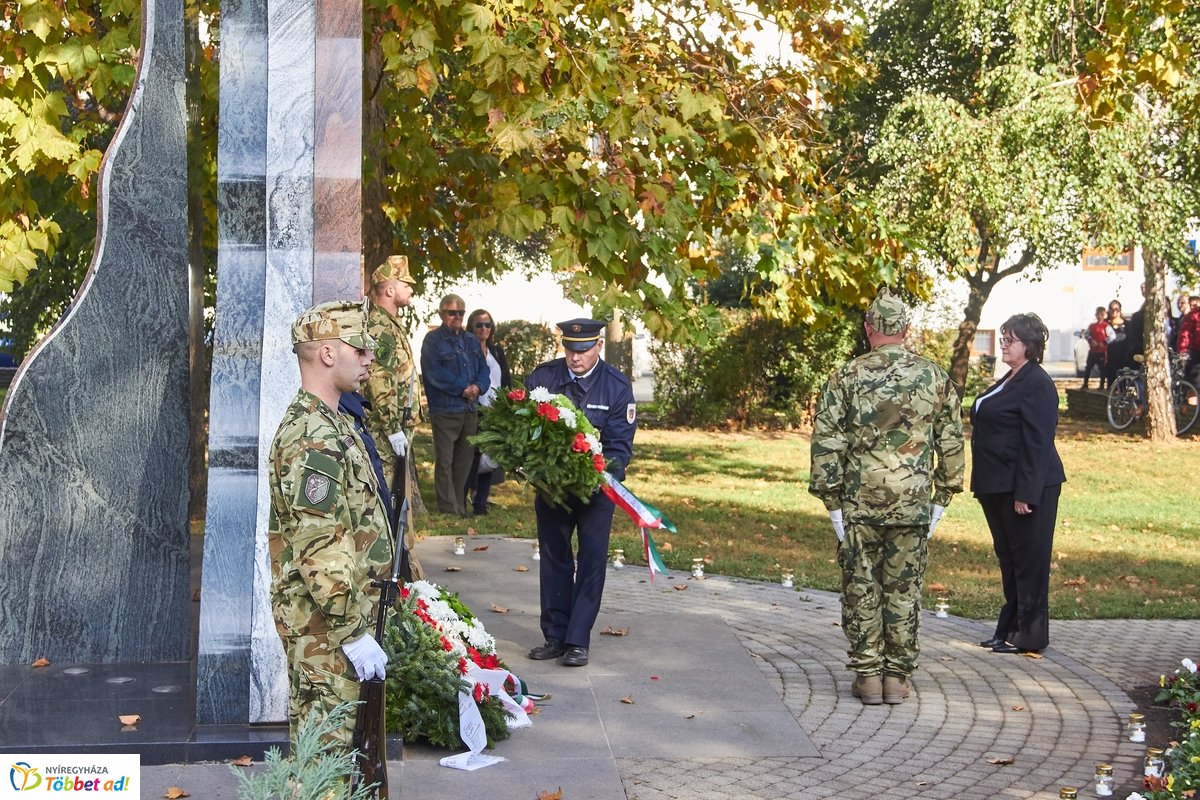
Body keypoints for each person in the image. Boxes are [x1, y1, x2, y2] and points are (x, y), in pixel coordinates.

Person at [808, 289, 964, 706]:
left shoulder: (846, 377)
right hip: (912, 504)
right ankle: (896, 676)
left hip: (860, 505)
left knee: (862, 587)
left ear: (868, 329)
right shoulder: (934, 377)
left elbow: (827, 441)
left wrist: (832, 502)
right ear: (906, 330)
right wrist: (942, 498)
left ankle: (868, 676)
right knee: (903, 589)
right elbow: (950, 441)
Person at [267, 300, 394, 752]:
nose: (369, 359)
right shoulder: (310, 437)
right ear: (326, 353)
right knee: (328, 773)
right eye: (359, 350)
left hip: (345, 628)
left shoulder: (334, 422)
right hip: (329, 638)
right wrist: (354, 634)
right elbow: (319, 547)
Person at [525, 319, 636, 668]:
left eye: (583, 350)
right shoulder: (543, 379)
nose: (575, 358)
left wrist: (597, 476)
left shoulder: (616, 387)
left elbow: (620, 448)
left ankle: (577, 640)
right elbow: (526, 433)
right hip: (553, 489)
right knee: (554, 558)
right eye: (570, 349)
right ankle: (555, 635)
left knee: (590, 561)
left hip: (595, 493)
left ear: (599, 346)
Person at [970, 313, 1066, 656]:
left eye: (1010, 340)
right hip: (996, 485)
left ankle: (1030, 634)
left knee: (1029, 561)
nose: (1003, 344)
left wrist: (1026, 493)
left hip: (1025, 487)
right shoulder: (1009, 379)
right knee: (1009, 559)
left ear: (1029, 345)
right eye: (1003, 338)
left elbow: (1038, 442)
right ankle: (1009, 627)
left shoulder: (1037, 383)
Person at [362, 254, 424, 578]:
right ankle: (386, 574)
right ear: (388, 288)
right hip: (386, 434)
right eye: (406, 283)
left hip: (397, 431)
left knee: (398, 504)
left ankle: (400, 572)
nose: (411, 289)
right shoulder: (379, 326)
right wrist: (392, 427)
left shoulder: (389, 323)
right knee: (386, 504)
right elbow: (379, 379)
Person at [420, 293, 490, 516]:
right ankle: (448, 509)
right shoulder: (433, 340)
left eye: (461, 313)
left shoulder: (470, 340)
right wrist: (464, 388)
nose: (457, 316)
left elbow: (483, 369)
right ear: (442, 313)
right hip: (445, 410)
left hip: (469, 410)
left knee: (464, 462)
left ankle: (459, 505)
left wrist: (478, 386)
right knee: (445, 462)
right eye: (452, 313)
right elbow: (434, 373)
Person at [463, 308, 511, 516]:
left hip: (494, 410)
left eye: (488, 325)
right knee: (471, 457)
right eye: (479, 325)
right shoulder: (465, 351)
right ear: (471, 327)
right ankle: (461, 499)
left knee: (490, 457)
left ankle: (480, 503)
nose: (484, 328)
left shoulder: (497, 352)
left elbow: (505, 381)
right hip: (473, 409)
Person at [1083, 306, 1110, 391]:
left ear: (1104, 315)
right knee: (1088, 367)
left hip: (1102, 351)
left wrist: (1104, 343)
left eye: (1102, 314)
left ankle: (1102, 385)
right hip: (1093, 350)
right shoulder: (1092, 326)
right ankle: (1085, 384)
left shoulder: (1106, 326)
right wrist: (1091, 340)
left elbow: (1112, 336)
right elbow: (1087, 334)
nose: (1099, 316)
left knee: (1102, 369)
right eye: (1098, 314)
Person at [1103, 299, 1128, 389]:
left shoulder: (1127, 324)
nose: (1114, 311)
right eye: (1112, 309)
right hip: (1110, 356)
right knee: (1111, 381)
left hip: (1123, 356)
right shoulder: (1105, 324)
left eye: (1116, 309)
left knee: (1123, 381)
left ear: (1120, 310)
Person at [1178, 295, 1200, 386]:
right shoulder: (1194, 315)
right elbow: (1184, 334)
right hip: (1196, 354)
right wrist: (1182, 350)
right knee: (1194, 386)